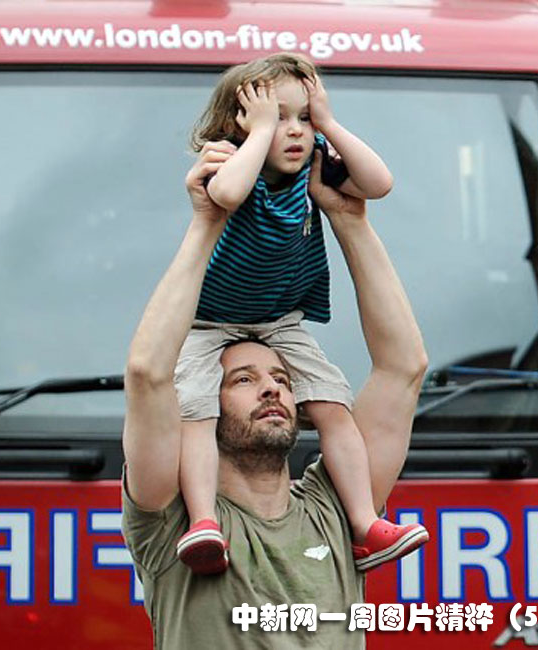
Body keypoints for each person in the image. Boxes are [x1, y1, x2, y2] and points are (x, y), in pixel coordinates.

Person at [120, 142, 428, 649]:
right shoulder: (172, 519)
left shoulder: (337, 509)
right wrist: (207, 222)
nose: (271, 387)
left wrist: (349, 219)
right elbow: (146, 374)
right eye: (243, 380)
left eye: (283, 380)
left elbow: (403, 368)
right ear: (205, 398)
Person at [174, 53, 427, 574]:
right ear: (238, 125)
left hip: (278, 321)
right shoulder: (230, 164)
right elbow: (227, 194)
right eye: (277, 118)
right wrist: (258, 134)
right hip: (210, 324)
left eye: (303, 117)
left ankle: (364, 522)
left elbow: (378, 184)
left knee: (334, 405)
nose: (294, 131)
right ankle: (203, 522)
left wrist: (328, 124)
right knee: (196, 411)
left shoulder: (313, 166)